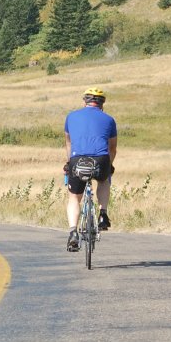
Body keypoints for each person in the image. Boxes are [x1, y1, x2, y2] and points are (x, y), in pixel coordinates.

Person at [63, 87, 117, 252]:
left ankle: (73, 232)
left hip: (77, 160)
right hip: (101, 159)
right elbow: (112, 148)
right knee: (103, 180)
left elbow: (69, 143)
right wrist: (110, 165)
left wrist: (68, 162)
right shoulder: (109, 120)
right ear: (102, 104)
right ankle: (103, 214)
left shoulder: (71, 117)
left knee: (74, 197)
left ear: (84, 101)